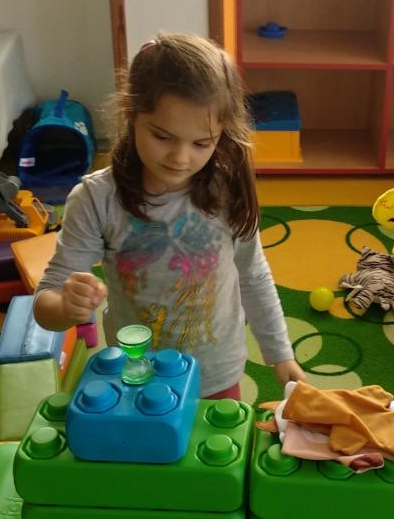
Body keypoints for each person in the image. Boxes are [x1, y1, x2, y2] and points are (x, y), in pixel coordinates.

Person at [33, 32, 305, 400]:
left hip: (215, 373)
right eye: (162, 136)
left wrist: (280, 353)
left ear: (221, 134)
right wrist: (65, 307)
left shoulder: (227, 191)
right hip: (136, 373)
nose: (180, 158)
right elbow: (45, 301)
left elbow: (253, 274)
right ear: (132, 114)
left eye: (201, 143)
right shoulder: (95, 199)